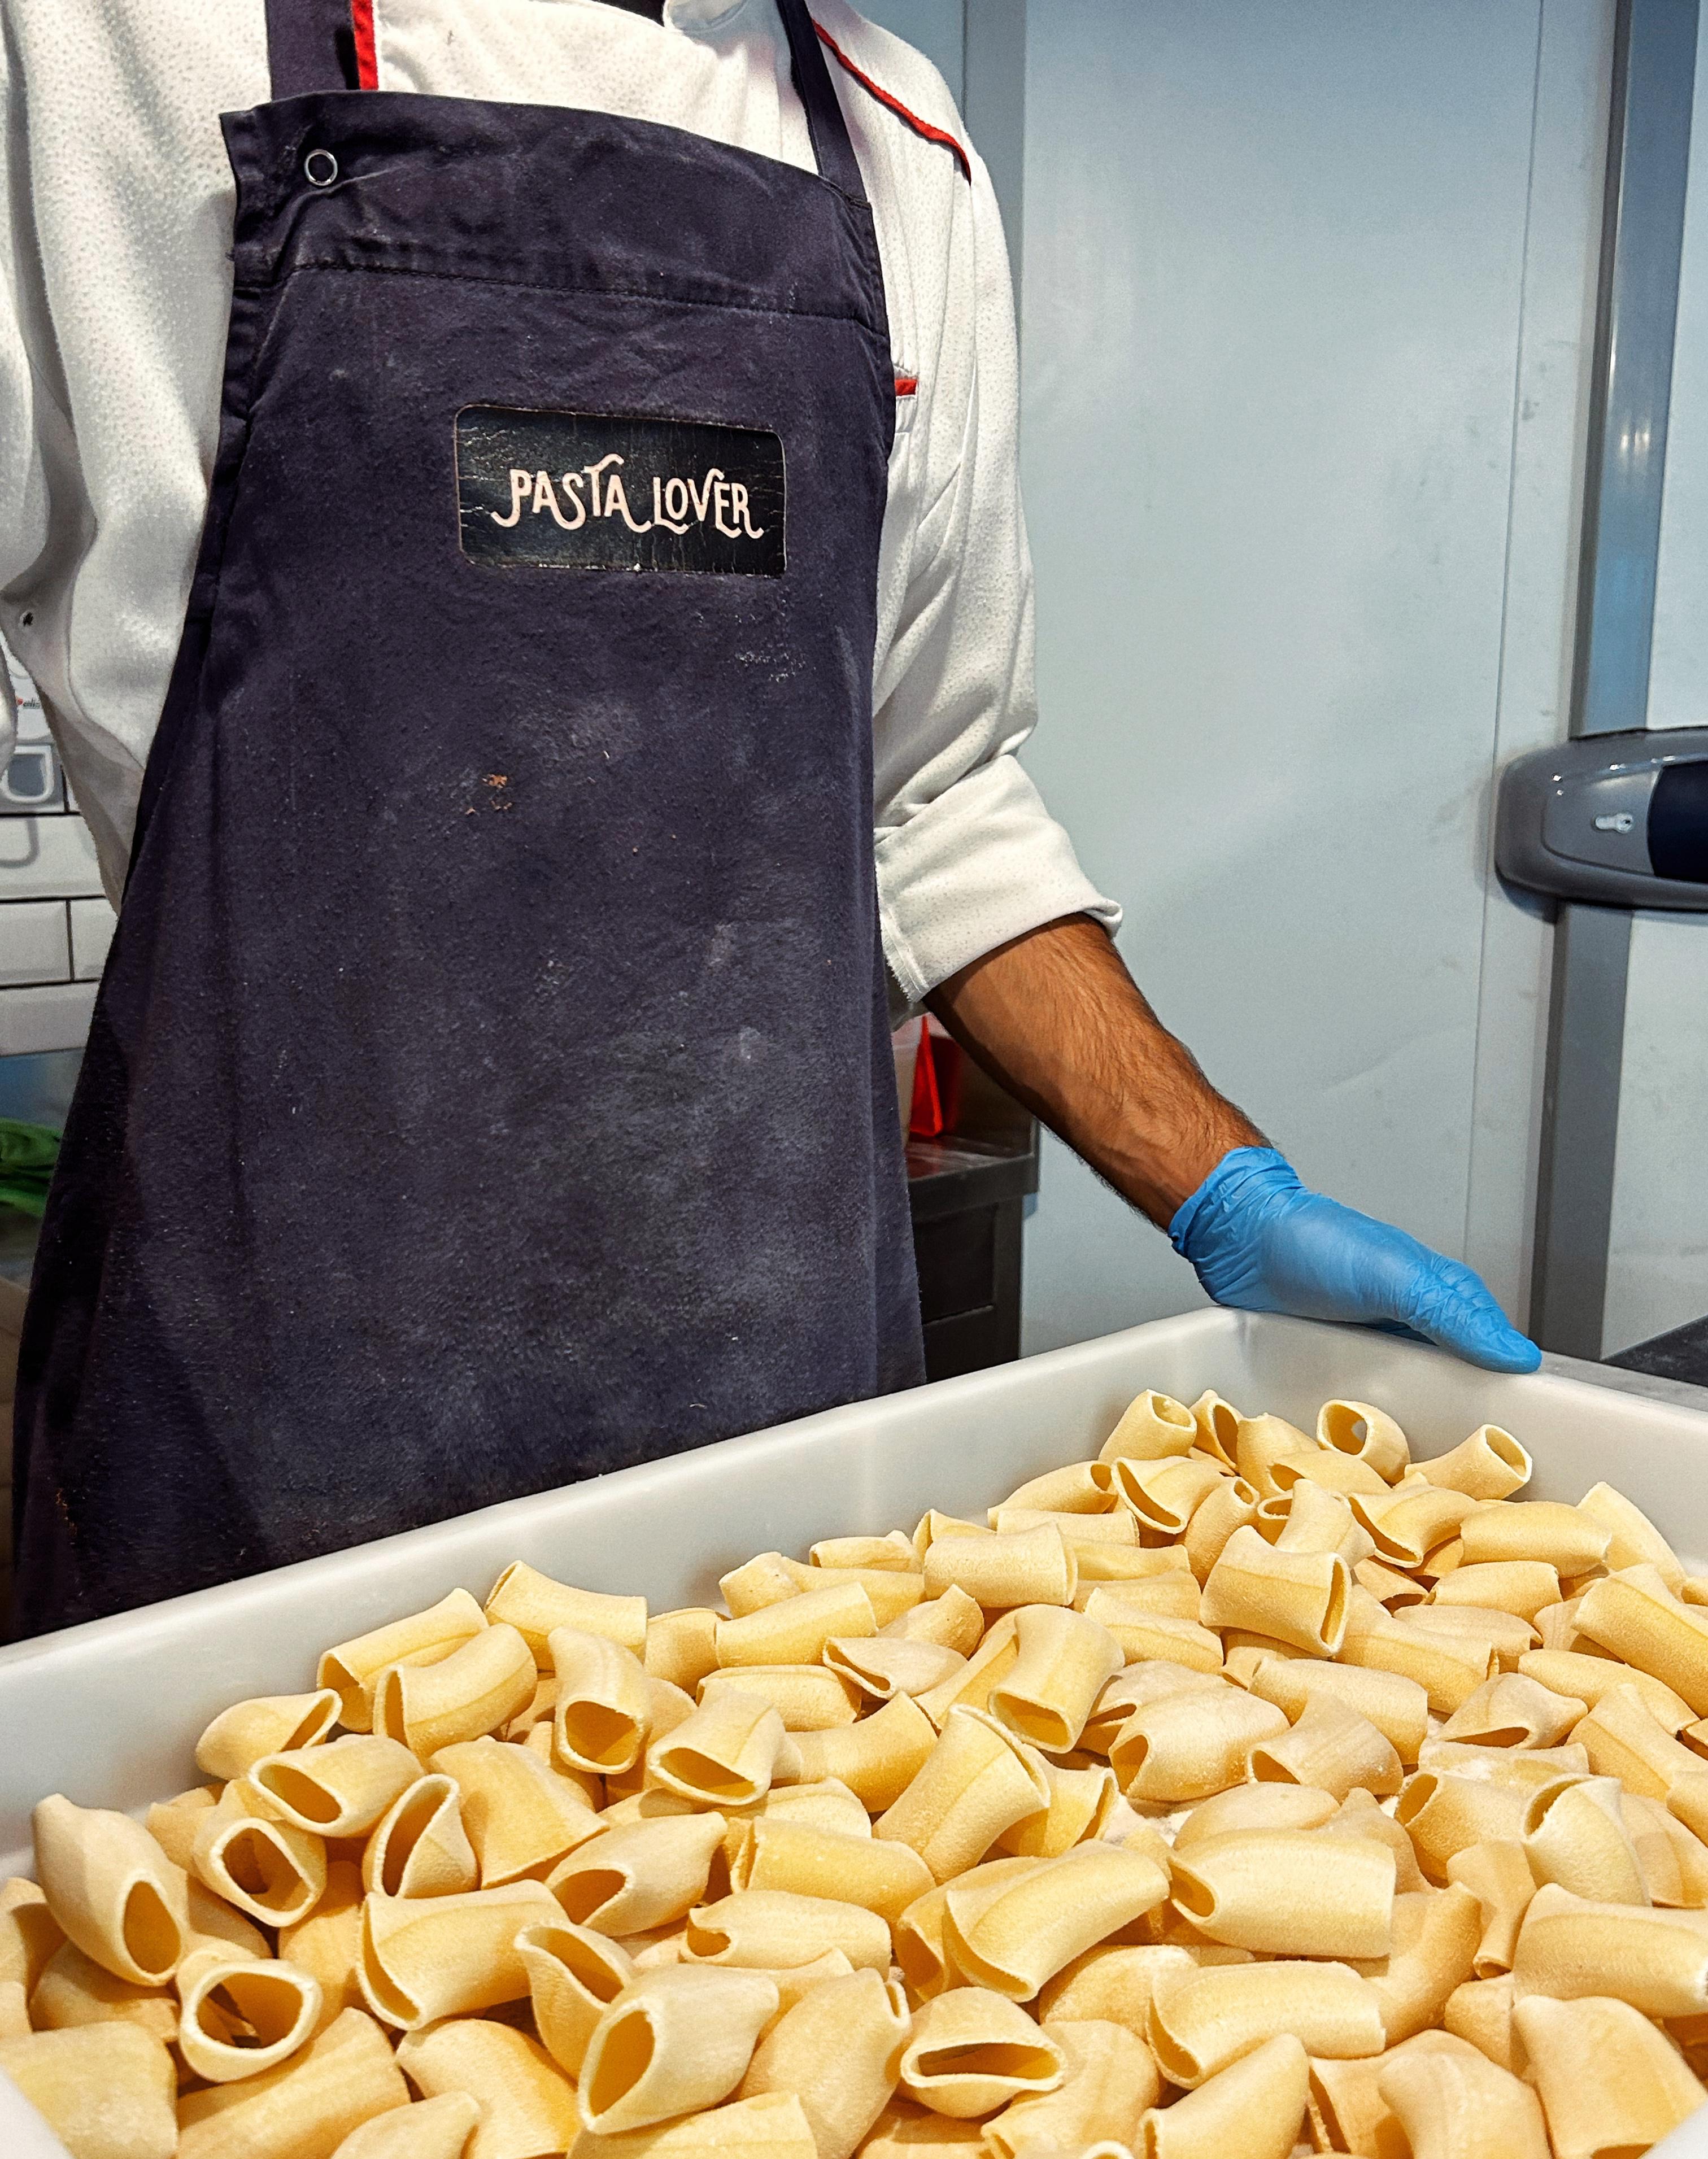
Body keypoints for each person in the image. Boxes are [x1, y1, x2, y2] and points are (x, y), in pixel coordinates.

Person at [0, 0, 1536, 1638]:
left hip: (779, 1463)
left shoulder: (893, 138)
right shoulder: (110, 40)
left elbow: (931, 791)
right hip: (278, 1443)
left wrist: (1221, 1185)